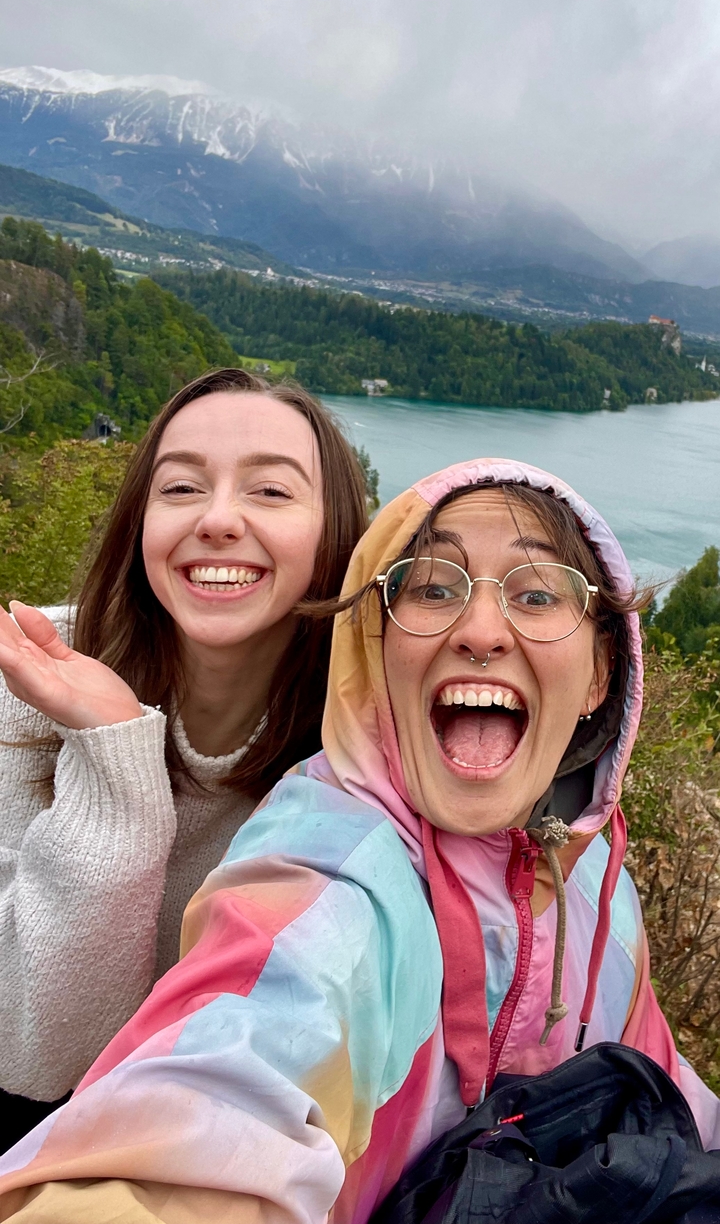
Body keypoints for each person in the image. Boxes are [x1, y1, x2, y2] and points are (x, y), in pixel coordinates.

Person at [2, 457, 718, 1224]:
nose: (479, 630)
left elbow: (665, 1083)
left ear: (601, 672)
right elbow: (221, 1083)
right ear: (377, 650)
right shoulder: (337, 879)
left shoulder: (594, 869)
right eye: (433, 588)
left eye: (537, 594)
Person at [0, 366, 367, 1145]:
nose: (220, 519)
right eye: (180, 488)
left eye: (271, 491)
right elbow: (32, 1051)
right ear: (141, 521)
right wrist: (112, 756)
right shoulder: (29, 679)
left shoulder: (350, 772)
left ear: (334, 535)